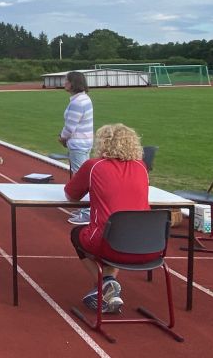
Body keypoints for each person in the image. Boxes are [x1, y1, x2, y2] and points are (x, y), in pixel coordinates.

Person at [65, 123, 150, 314]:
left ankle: (105, 284)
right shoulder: (141, 167)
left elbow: (71, 196)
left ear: (103, 143)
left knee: (77, 234)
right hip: (147, 244)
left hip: (108, 241)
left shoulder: (93, 166)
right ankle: (108, 286)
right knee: (116, 234)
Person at [59, 71, 94, 225]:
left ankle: (87, 212)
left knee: (82, 179)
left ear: (73, 83)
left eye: (66, 80)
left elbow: (70, 127)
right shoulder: (84, 98)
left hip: (78, 144)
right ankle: (84, 209)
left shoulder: (77, 102)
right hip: (84, 142)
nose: (64, 83)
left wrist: (62, 138)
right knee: (83, 176)